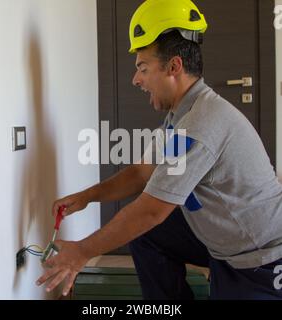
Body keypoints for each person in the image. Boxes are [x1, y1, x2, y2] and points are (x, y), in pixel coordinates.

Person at [36, 0, 282, 300]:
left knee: (145, 222)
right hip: (224, 243)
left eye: (143, 68)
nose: (136, 79)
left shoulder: (201, 123)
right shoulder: (181, 115)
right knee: (146, 235)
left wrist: (82, 251)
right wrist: (87, 197)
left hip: (260, 259)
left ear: (174, 67)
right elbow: (142, 171)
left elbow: (152, 210)